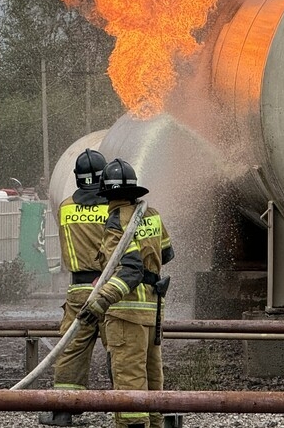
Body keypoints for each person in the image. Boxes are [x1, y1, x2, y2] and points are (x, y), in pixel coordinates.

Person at [78, 158, 174, 428]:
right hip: (152, 313)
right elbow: (167, 253)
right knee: (153, 380)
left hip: (126, 315)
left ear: (107, 194)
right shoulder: (152, 214)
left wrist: (100, 301)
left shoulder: (116, 221)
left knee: (129, 380)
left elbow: (130, 270)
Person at [39, 149, 111, 427]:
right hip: (110, 290)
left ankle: (63, 411)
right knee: (121, 349)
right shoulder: (113, 209)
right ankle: (127, 406)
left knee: (71, 351)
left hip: (78, 290)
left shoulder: (66, 207)